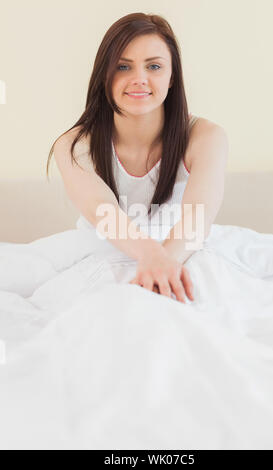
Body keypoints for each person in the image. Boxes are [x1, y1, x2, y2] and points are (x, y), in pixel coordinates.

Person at [46, 13, 227, 304]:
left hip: (184, 253)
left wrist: (164, 265)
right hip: (101, 259)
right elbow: (102, 212)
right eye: (123, 66)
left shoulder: (206, 137)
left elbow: (199, 218)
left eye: (154, 66)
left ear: (171, 78)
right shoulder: (73, 144)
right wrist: (152, 257)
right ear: (105, 74)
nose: (139, 79)